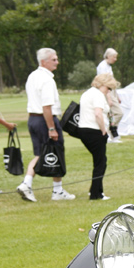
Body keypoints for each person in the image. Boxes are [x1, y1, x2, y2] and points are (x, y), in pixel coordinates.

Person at [17, 47, 74, 202]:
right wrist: (51, 128)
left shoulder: (32, 76)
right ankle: (57, 191)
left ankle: (27, 184)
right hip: (45, 120)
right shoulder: (47, 79)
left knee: (40, 154)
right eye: (54, 59)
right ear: (44, 61)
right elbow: (46, 107)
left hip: (33, 120)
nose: (57, 62)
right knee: (55, 151)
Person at [77, 73, 119, 200]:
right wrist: (103, 131)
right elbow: (98, 114)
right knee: (100, 163)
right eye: (108, 88)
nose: (109, 91)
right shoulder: (98, 95)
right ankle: (96, 194)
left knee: (99, 161)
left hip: (83, 129)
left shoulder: (88, 93)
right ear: (102, 85)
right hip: (94, 130)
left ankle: (94, 190)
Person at [96, 48, 123, 143]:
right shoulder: (102, 66)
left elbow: (112, 82)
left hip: (112, 91)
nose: (115, 59)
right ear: (108, 56)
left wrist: (117, 95)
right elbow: (104, 83)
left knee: (112, 114)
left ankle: (112, 134)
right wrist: (109, 97)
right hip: (107, 92)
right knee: (118, 113)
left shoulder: (109, 66)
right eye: (114, 57)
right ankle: (109, 132)